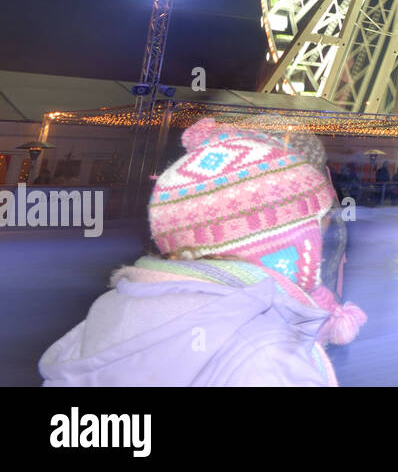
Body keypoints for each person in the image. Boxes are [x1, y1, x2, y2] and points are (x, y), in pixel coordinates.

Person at [39, 119, 366, 386]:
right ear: (279, 239)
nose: (322, 235)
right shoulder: (265, 357)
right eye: (315, 224)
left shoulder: (111, 308)